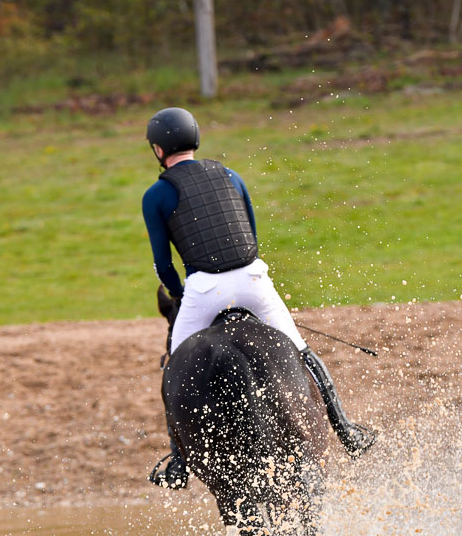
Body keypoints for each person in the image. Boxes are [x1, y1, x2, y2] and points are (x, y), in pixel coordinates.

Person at [142, 107, 376, 488]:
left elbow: (163, 264)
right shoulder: (232, 177)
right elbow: (249, 234)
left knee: (175, 372)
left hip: (203, 289)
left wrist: (182, 296)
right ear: (195, 139)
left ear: (158, 149)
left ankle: (178, 463)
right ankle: (345, 428)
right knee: (302, 352)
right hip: (252, 280)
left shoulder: (156, 194)